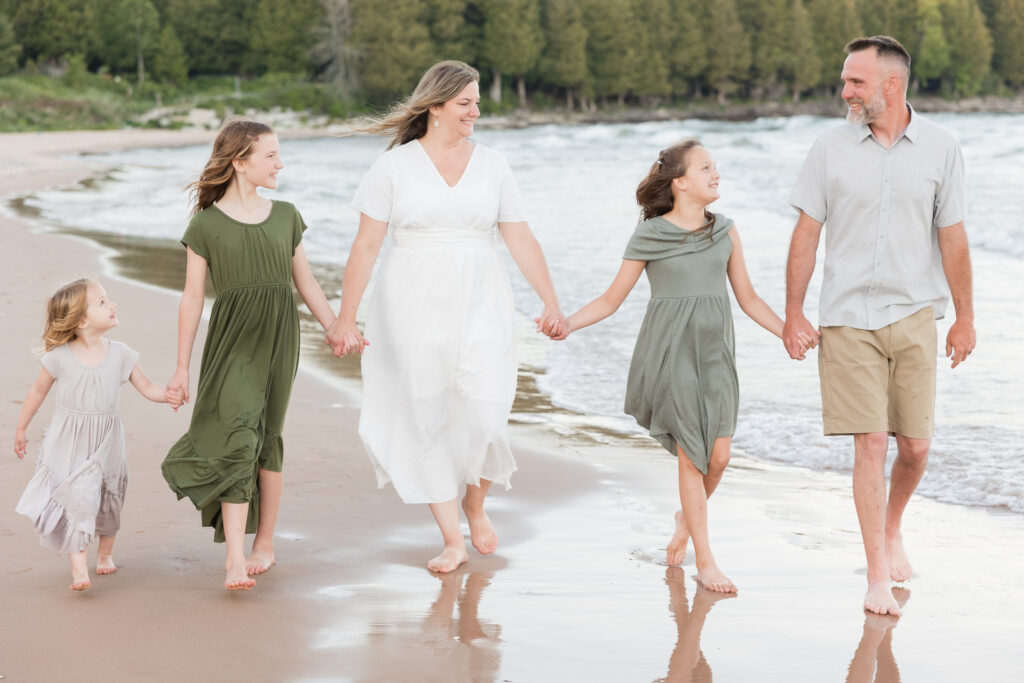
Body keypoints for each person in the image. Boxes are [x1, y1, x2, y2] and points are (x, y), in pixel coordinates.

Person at [326, 60, 566, 574]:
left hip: (482, 298)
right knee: (427, 414)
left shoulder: (494, 164)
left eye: (477, 102)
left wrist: (550, 300)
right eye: (465, 103)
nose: (475, 112)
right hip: (411, 301)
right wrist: (346, 317)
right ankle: (452, 538)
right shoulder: (393, 168)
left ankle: (475, 503)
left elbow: (519, 237)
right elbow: (366, 246)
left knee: (487, 407)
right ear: (435, 106)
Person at [552, 140, 808, 593]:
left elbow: (748, 299)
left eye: (716, 167)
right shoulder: (649, 235)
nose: (716, 174)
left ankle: (684, 518)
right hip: (671, 353)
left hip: (716, 355)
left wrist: (789, 331)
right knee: (693, 457)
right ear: (681, 182)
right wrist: (567, 324)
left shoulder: (725, 231)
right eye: (706, 167)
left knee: (720, 457)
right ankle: (705, 562)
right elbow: (612, 299)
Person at [784, 36, 976, 616]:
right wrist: (793, 311)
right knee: (869, 444)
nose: (845, 91)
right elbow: (806, 234)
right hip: (846, 318)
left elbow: (953, 237)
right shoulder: (828, 148)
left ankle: (893, 527)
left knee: (915, 448)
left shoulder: (942, 148)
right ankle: (875, 576)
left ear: (891, 85)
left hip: (915, 313)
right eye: (845, 80)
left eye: (855, 82)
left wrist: (965, 317)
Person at [162, 119, 337, 591]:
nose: (281, 164)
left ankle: (265, 542)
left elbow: (307, 282)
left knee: (267, 438)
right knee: (239, 435)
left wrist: (337, 326)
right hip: (233, 342)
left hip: (281, 339)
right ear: (240, 163)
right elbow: (192, 299)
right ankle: (235, 559)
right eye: (271, 156)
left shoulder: (286, 215)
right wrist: (181, 367)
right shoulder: (205, 225)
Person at [14, 279, 175, 591]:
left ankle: (105, 554)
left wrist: (168, 394)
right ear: (82, 320)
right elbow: (36, 392)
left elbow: (147, 387)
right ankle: (78, 568)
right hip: (69, 440)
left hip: (107, 440)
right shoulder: (60, 356)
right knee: (77, 497)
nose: (112, 304)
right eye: (102, 302)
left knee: (108, 494)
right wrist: (21, 427)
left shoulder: (122, 354)